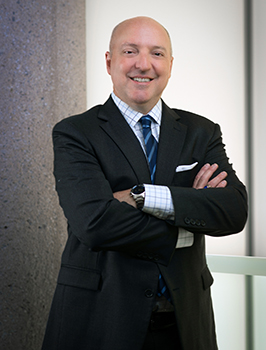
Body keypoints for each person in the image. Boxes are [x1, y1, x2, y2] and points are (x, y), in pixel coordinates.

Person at [42, 16, 247, 350]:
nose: (143, 64)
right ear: (109, 62)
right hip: (101, 319)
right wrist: (187, 217)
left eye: (156, 53)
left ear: (170, 64)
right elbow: (95, 223)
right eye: (130, 51)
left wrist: (141, 196)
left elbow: (234, 211)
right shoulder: (76, 132)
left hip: (185, 324)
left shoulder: (202, 132)